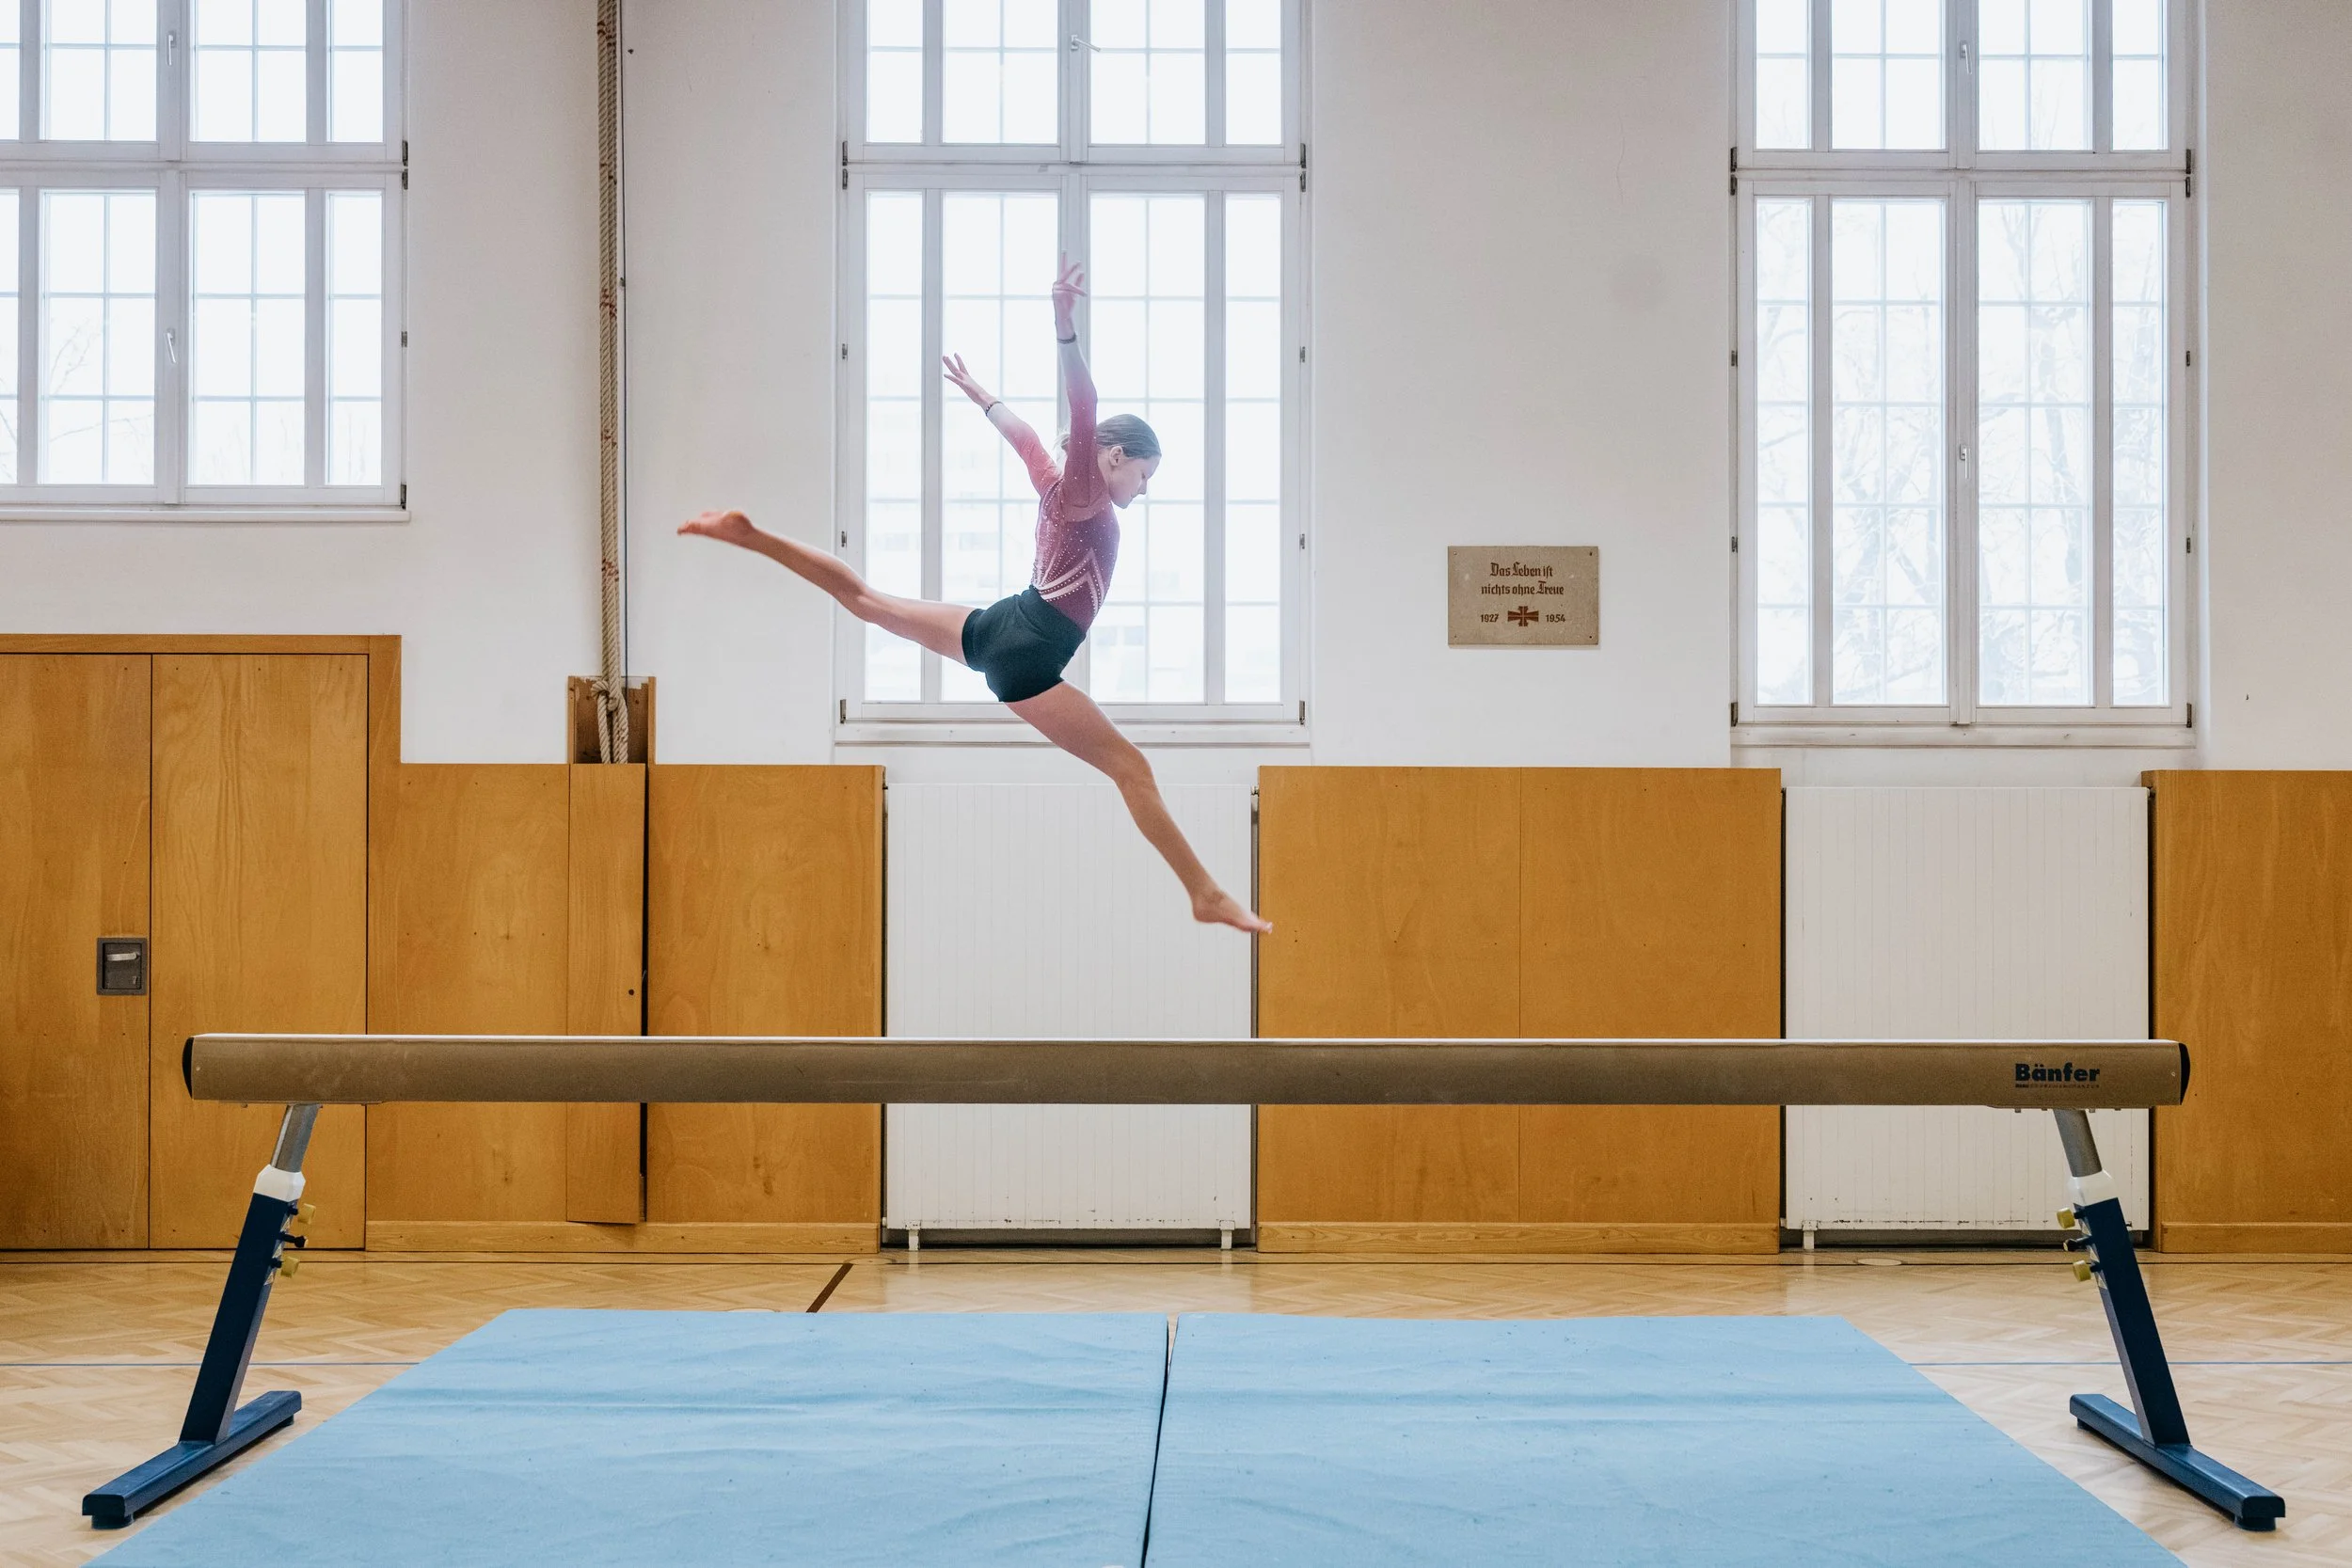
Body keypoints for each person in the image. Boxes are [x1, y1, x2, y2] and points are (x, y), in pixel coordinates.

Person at [679, 256, 1271, 935]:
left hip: (999, 628)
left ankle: (753, 537)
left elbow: (1025, 439)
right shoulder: (1085, 492)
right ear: (1114, 456)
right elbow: (1084, 405)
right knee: (1131, 769)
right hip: (1029, 654)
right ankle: (1205, 893)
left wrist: (982, 396)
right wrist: (1064, 325)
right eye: (1144, 475)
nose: (1144, 489)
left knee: (867, 601)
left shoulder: (1055, 483)